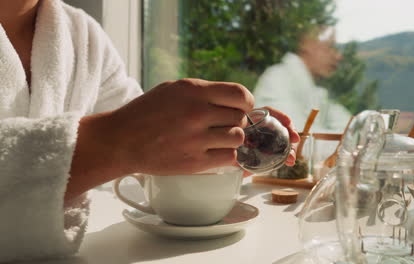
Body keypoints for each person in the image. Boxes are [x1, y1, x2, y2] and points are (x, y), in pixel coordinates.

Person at [0, 0, 299, 262]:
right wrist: (112, 143)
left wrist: (213, 146)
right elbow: (130, 140)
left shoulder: (83, 36)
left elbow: (151, 148)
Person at [254, 28, 352, 133]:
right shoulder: (277, 78)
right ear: (307, 44)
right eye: (331, 47)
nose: (338, 56)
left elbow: (352, 127)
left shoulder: (316, 92)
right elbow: (293, 137)